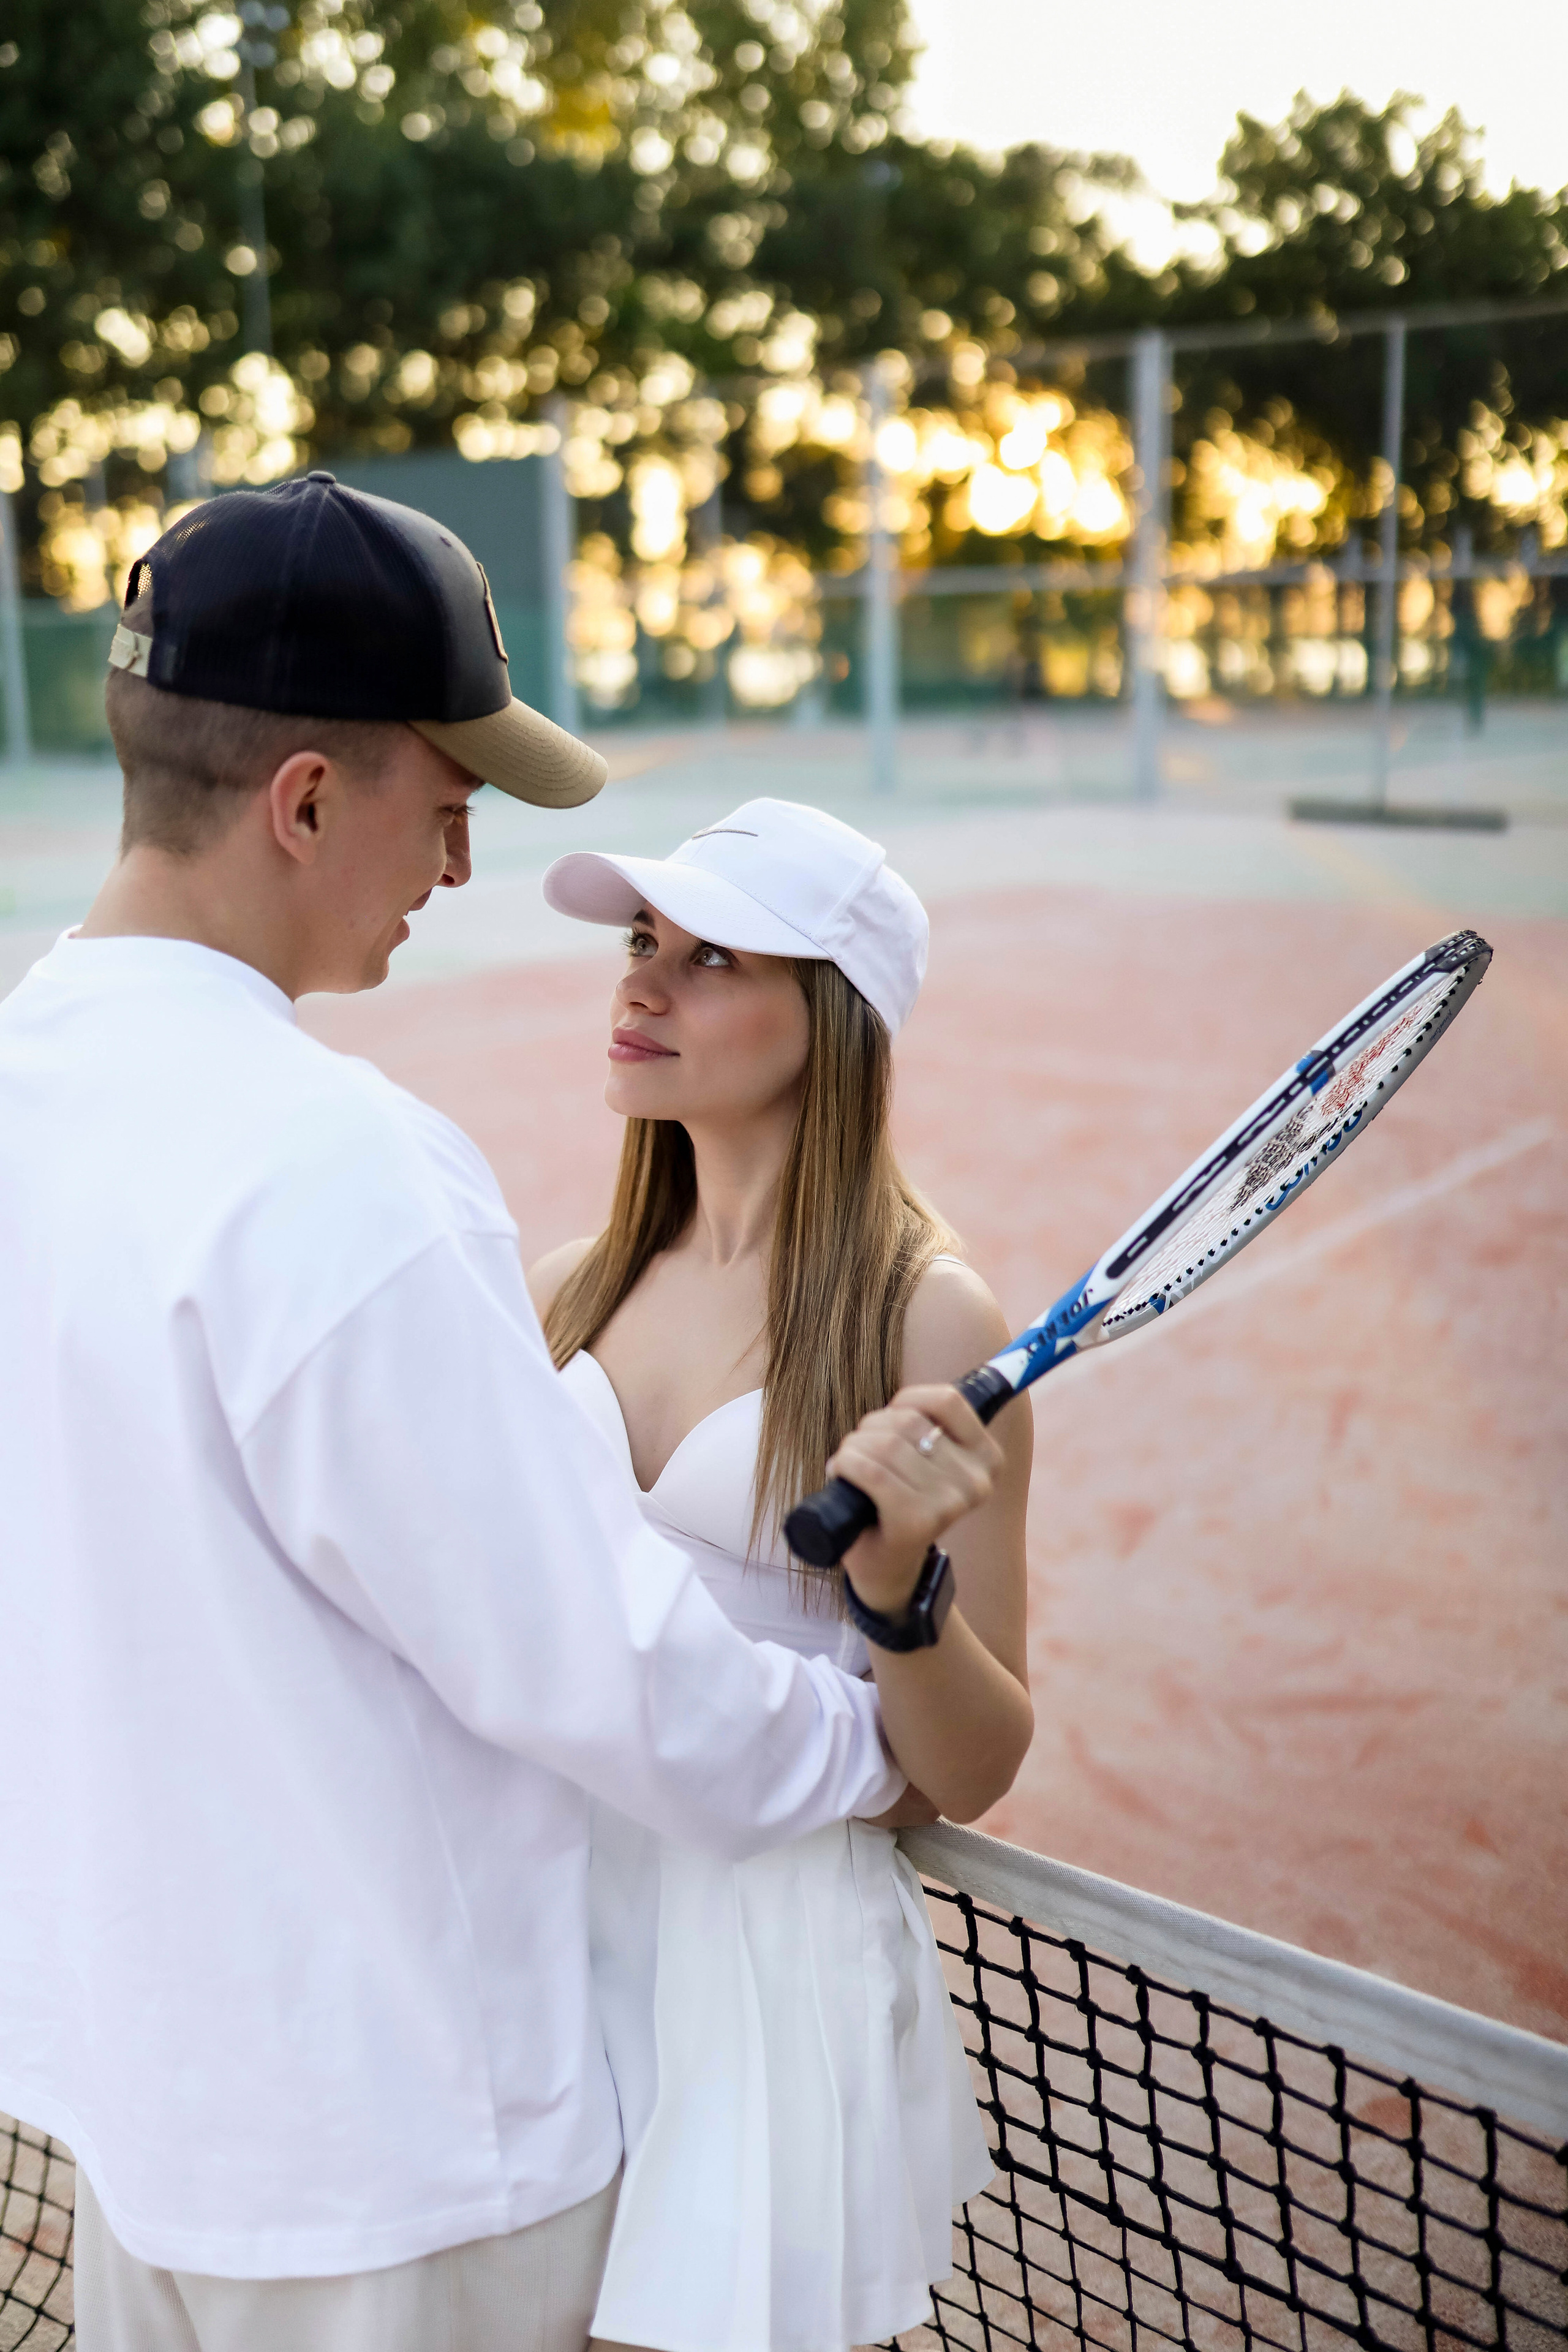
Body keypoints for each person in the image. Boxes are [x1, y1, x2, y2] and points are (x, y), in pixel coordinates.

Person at [0, 480, 1006, 2352]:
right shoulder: (345, 1168)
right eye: (444, 812)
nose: (454, 873)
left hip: (144, 2116)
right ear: (306, 801)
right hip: (398, 2150)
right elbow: (582, 1655)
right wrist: (861, 1743)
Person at [529, 801, 1035, 2352]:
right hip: (543, 1930)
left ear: (827, 1019)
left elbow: (962, 1772)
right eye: (639, 943)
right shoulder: (563, 1285)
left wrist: (896, 1594)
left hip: (763, 1977)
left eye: (708, 958)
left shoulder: (924, 1320)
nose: (640, 987)